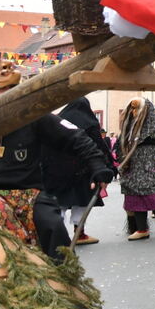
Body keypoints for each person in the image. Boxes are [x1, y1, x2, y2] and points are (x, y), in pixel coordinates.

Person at [0, 61, 113, 258]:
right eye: (2, 88)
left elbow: (76, 137)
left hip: (27, 193)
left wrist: (97, 165)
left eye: (13, 88)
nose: (10, 93)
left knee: (53, 224)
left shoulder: (29, 115)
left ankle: (63, 281)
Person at [42, 97, 114, 246]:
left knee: (59, 203)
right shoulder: (90, 123)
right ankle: (80, 233)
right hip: (83, 169)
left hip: (58, 169)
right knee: (81, 202)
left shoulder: (60, 120)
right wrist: (107, 165)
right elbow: (98, 145)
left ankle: (57, 236)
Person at [117, 98, 155, 241]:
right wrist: (122, 159)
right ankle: (142, 229)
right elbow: (122, 142)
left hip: (154, 162)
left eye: (137, 109)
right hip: (134, 164)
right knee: (136, 194)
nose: (134, 112)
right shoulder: (130, 125)